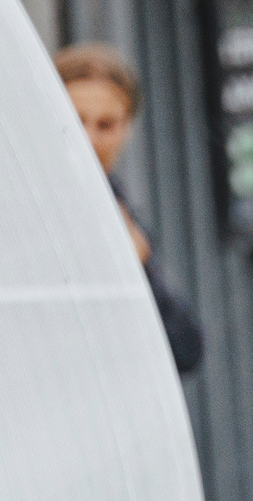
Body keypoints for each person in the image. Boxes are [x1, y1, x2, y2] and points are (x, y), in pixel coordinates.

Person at [55, 43, 204, 376]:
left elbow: (185, 350)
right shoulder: (19, 206)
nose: (88, 139)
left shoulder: (115, 207)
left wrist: (142, 265)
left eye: (105, 125)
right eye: (73, 120)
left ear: (127, 128)